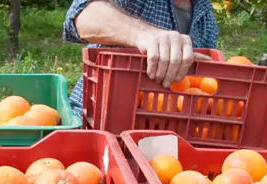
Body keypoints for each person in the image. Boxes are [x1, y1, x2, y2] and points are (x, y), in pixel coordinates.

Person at [64, 0, 219, 116]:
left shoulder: (206, 20)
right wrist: (143, 34)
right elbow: (83, 15)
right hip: (96, 119)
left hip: (164, 133)